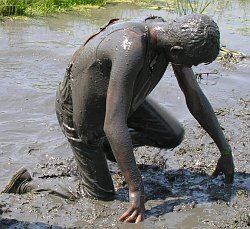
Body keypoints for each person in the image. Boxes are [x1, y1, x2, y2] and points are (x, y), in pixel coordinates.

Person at [2, 14, 234, 223]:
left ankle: (111, 150)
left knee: (171, 134)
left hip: (120, 99)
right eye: (191, 63)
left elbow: (195, 98)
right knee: (101, 195)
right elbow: (113, 125)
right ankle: (26, 183)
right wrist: (136, 188)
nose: (190, 67)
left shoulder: (169, 37)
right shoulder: (131, 47)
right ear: (175, 51)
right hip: (80, 112)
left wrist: (225, 151)